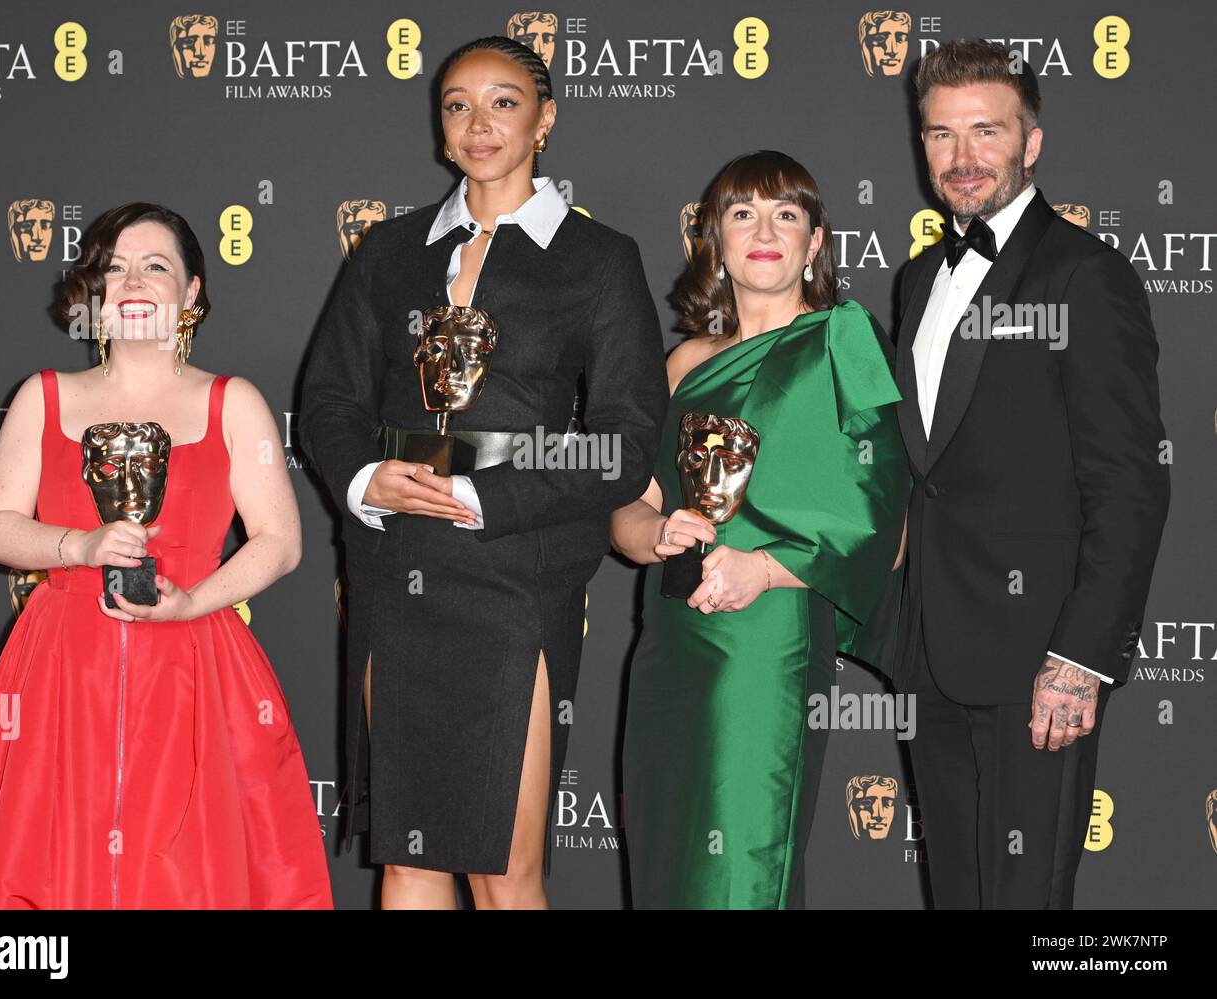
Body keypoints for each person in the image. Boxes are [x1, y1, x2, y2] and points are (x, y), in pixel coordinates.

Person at [299, 36, 667, 909]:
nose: (478, 122)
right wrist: (362, 483)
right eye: (458, 103)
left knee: (505, 866)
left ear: (545, 120)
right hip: (397, 570)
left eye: (503, 101)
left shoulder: (598, 258)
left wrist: (479, 495)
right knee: (410, 861)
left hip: (518, 567)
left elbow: (624, 441)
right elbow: (329, 402)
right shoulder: (388, 252)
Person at [0, 203, 333, 909]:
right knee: (49, 866)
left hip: (195, 663)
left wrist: (193, 601)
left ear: (190, 294)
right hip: (63, 668)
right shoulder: (44, 396)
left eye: (156, 266)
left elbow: (281, 541)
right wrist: (78, 545)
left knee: (190, 869)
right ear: (93, 289)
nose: (133, 281)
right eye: (115, 266)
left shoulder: (231, 402)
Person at [891, 40, 1169, 908]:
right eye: (941, 134)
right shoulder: (915, 281)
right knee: (958, 894)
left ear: (1031, 143)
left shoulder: (1086, 275)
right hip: (932, 652)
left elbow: (1131, 484)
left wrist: (1080, 658)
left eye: (985, 130)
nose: (962, 157)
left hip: (1039, 660)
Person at [615, 151, 909, 909]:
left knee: (744, 857)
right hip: (673, 637)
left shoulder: (844, 341)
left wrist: (765, 569)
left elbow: (885, 516)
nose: (765, 230)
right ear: (714, 239)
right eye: (743, 213)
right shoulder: (683, 360)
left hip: (768, 635)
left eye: (787, 213)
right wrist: (656, 534)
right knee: (667, 863)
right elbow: (629, 506)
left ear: (816, 242)